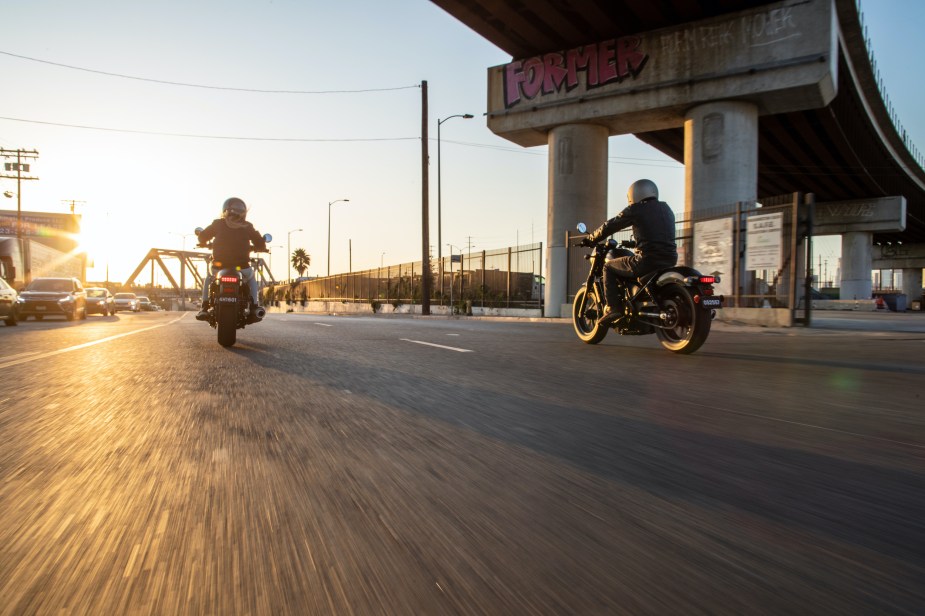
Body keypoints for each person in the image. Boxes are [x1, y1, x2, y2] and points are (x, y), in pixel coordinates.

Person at [581, 179, 678, 323]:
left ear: (634, 193)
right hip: (669, 259)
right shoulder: (666, 209)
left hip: (647, 260)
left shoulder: (636, 209)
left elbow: (611, 225)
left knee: (608, 267)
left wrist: (591, 238)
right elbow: (656, 232)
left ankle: (614, 308)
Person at [195, 197, 268, 322]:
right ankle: (254, 307)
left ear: (225, 210)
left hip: (219, 266)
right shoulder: (247, 226)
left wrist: (202, 238)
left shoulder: (217, 224)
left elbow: (202, 238)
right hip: (241, 267)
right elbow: (260, 244)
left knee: (208, 278)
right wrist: (260, 245)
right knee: (251, 279)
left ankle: (205, 307)